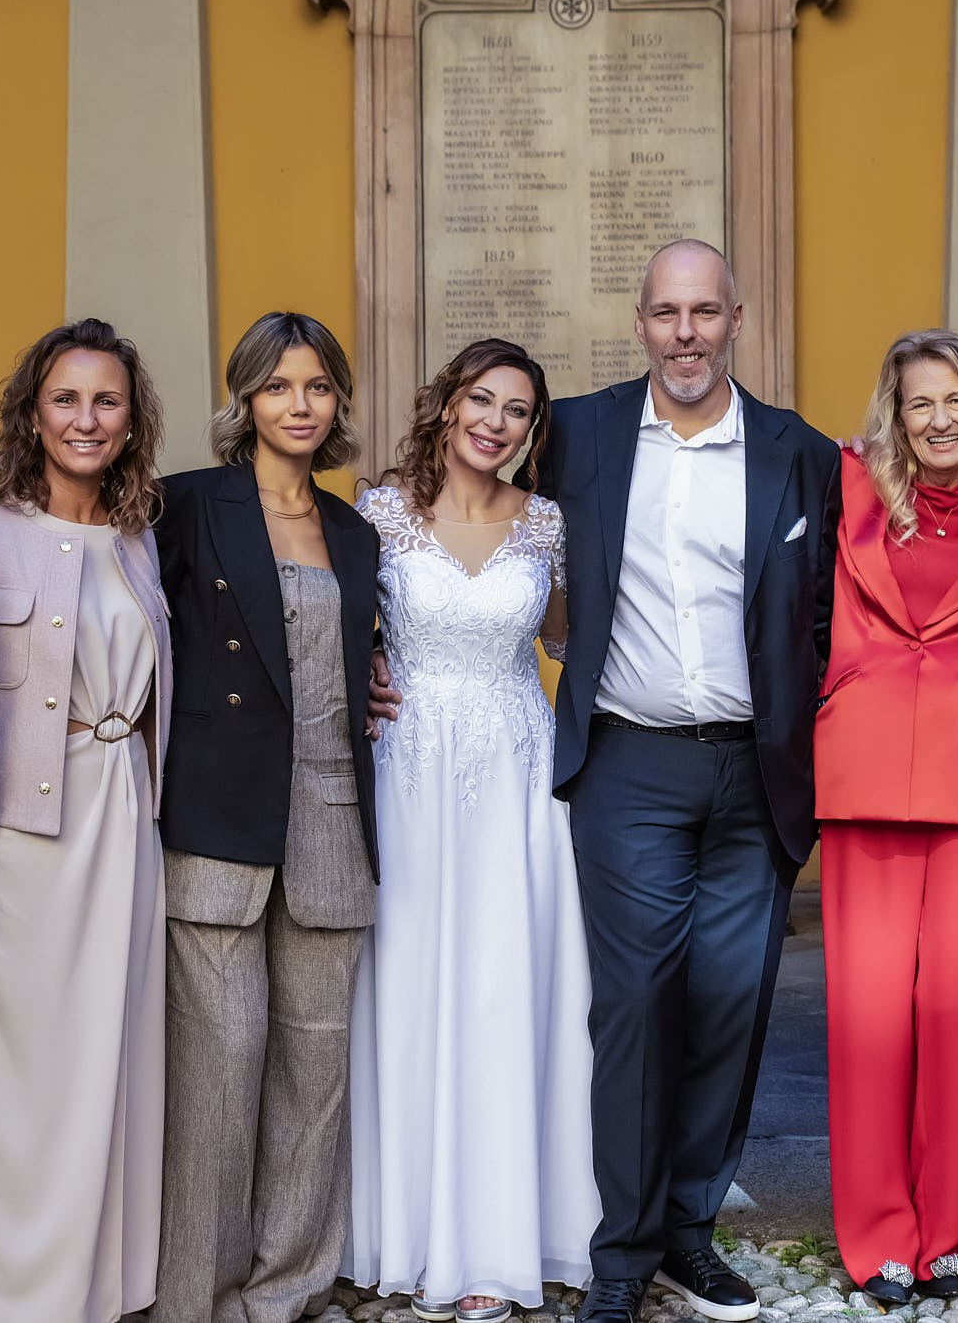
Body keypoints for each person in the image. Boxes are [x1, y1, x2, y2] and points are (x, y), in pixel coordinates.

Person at [373, 239, 839, 1323]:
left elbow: (819, 607)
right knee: (630, 1007)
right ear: (639, 323)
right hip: (627, 763)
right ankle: (620, 1253)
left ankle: (689, 1230)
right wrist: (370, 648)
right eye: (665, 313)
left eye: (705, 312)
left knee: (730, 1006)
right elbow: (442, 526)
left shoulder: (797, 454)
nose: (685, 332)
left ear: (736, 320)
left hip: (752, 771)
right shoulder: (574, 435)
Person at [346, 338, 599, 1323]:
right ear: (447, 405)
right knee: (405, 982)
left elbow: (572, 643)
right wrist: (362, 665)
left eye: (517, 411)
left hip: (516, 774)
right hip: (406, 766)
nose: (495, 423)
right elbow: (332, 624)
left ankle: (500, 1242)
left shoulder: (547, 526)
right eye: (481, 401)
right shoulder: (376, 513)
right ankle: (403, 1230)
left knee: (505, 990)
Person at [151, 311, 382, 1323]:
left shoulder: (353, 531)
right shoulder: (184, 509)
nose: (299, 404)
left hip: (331, 819)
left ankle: (285, 1290)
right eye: (278, 385)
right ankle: (193, 1296)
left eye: (318, 385)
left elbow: (360, 653)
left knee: (313, 1071)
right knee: (218, 1066)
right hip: (216, 817)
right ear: (244, 398)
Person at [0, 318, 173, 1323]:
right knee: (20, 1071)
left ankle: (102, 1290)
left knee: (112, 1056)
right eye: (67, 399)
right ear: (32, 412)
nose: (87, 419)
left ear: (131, 421)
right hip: (17, 836)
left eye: (107, 401)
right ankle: (16, 1298)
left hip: (125, 813)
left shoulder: (142, 535)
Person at [815, 330, 958, 1306]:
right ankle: (876, 1239)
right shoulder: (843, 485)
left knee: (957, 1012)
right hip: (861, 772)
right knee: (867, 1017)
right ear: (893, 413)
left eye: (954, 400)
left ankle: (940, 1228)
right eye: (919, 403)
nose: (938, 419)